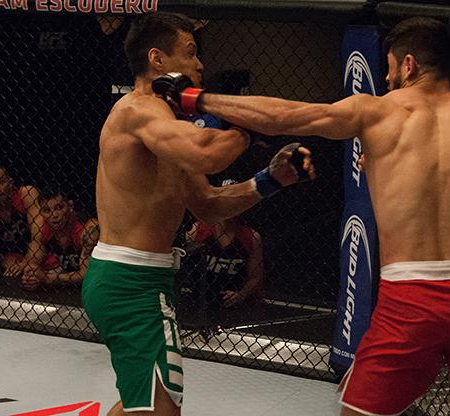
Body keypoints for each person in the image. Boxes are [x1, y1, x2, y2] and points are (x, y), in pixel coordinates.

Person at [157, 16, 450, 416]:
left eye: (389, 71)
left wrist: (194, 98)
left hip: (412, 296)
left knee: (356, 412)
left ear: (408, 65)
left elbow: (283, 116)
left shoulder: (378, 112)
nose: (388, 81)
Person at [80, 12, 314, 416]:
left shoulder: (166, 125)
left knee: (148, 403)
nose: (200, 63)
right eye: (190, 53)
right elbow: (206, 150)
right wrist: (249, 128)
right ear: (157, 60)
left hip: (142, 278)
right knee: (160, 408)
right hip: (129, 281)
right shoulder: (139, 111)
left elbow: (207, 204)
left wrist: (268, 180)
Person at [184, 180, 264, 309]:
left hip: (235, 305)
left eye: (236, 201)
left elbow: (256, 277)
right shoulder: (198, 230)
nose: (230, 205)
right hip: (198, 301)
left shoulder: (251, 237)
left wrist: (241, 294)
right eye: (226, 200)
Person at [21, 189, 99, 290]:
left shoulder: (88, 229)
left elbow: (86, 275)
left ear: (70, 206)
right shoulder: (39, 226)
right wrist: (31, 276)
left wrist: (47, 278)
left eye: (59, 208)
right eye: (47, 210)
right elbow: (32, 262)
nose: (54, 215)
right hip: (60, 287)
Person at [0, 165, 44, 278]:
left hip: (36, 256)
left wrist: (26, 263)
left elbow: (39, 237)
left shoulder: (26, 194)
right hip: (6, 260)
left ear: (10, 182)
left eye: (1, 181)